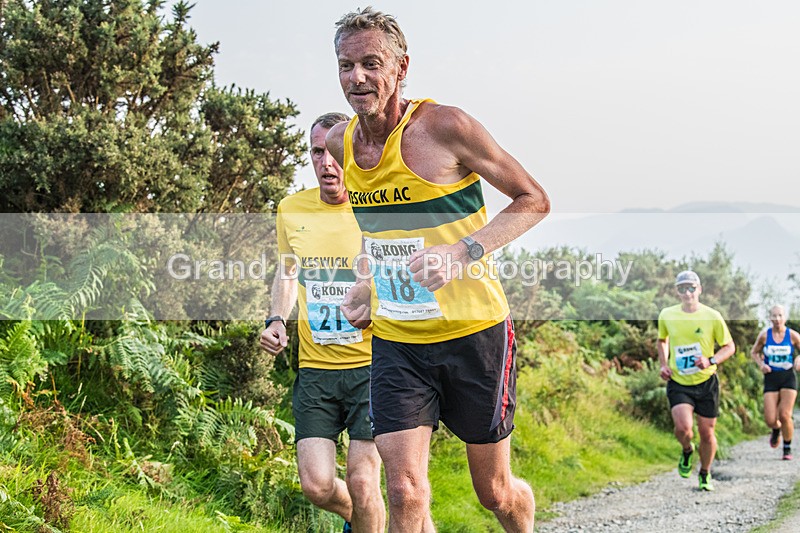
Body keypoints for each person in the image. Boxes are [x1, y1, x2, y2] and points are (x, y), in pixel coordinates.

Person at [326, 7, 550, 532]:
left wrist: (462, 252)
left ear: (401, 67)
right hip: (399, 339)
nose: (357, 78)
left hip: (475, 333)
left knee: (494, 493)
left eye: (371, 63)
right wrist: (366, 285)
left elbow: (534, 199)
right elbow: (378, 231)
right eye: (345, 66)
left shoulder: (445, 126)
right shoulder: (340, 142)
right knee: (404, 490)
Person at [260, 112, 385, 533]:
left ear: (352, 151)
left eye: (335, 152)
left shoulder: (376, 207)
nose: (327, 163)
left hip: (372, 366)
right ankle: (363, 520)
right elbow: (287, 273)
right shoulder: (291, 209)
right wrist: (277, 319)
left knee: (364, 482)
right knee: (316, 486)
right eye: (317, 152)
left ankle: (368, 517)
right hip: (316, 369)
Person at [657, 270, 735, 491]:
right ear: (677, 291)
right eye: (682, 288)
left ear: (699, 289)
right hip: (679, 382)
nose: (687, 292)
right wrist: (663, 364)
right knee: (683, 429)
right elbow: (662, 340)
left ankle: (705, 473)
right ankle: (687, 450)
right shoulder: (667, 315)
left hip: (706, 382)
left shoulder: (712, 316)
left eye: (691, 287)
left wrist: (710, 360)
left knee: (707, 433)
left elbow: (729, 347)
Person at [750, 304, 800, 460]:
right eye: (774, 316)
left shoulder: (792, 335)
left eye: (780, 315)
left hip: (788, 376)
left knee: (785, 414)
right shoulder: (765, 335)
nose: (777, 319)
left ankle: (787, 448)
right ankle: (776, 429)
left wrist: (798, 358)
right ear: (769, 318)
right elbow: (754, 352)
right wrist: (761, 365)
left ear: (785, 317)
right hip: (771, 377)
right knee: (770, 419)